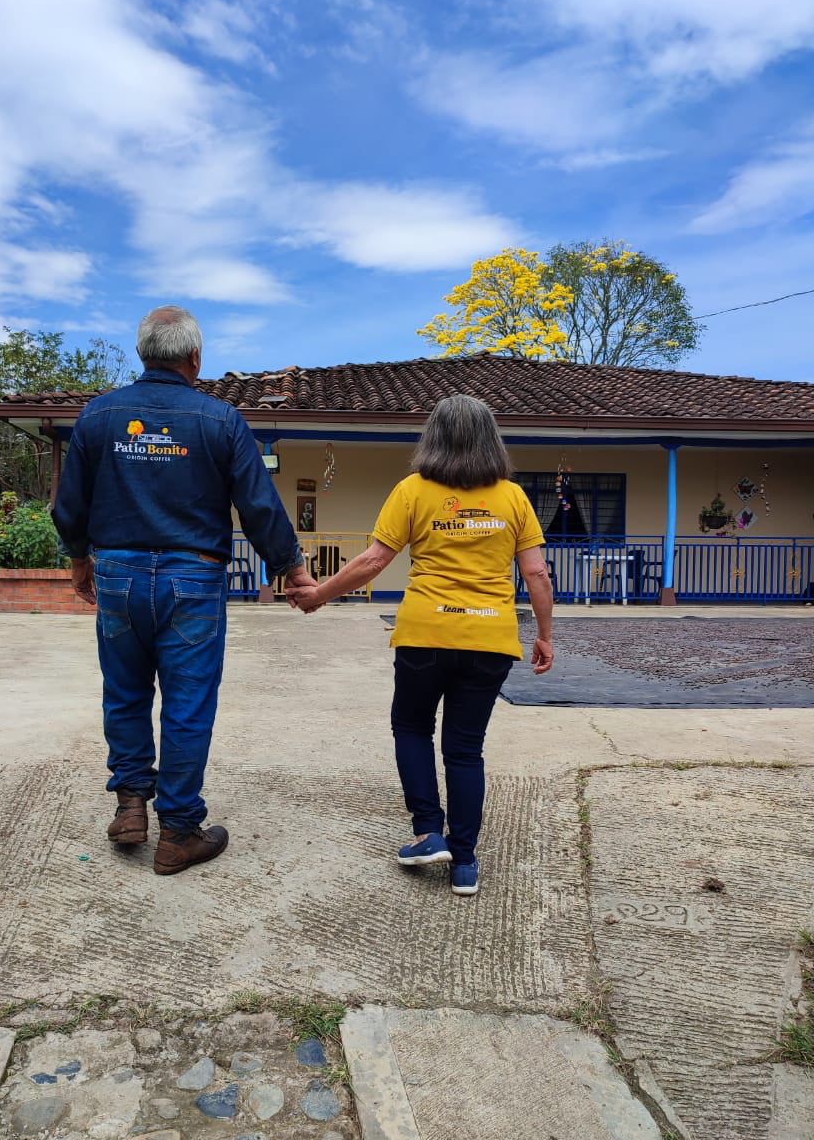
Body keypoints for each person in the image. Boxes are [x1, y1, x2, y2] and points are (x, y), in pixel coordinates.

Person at [53, 305, 316, 876]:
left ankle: (130, 806)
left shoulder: (99, 416)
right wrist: (291, 568)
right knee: (187, 702)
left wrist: (78, 560)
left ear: (143, 353)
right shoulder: (220, 420)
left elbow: (69, 502)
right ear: (195, 357)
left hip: (118, 573)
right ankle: (177, 832)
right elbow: (258, 504)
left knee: (125, 691)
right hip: (192, 577)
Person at [287, 394, 553, 896]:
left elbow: (373, 561)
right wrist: (544, 635)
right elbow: (536, 572)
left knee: (411, 727)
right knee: (465, 748)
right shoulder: (514, 497)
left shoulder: (412, 490)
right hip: (490, 638)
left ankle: (428, 832)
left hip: (425, 633)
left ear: (434, 438)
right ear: (490, 440)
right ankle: (465, 862)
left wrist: (319, 595)